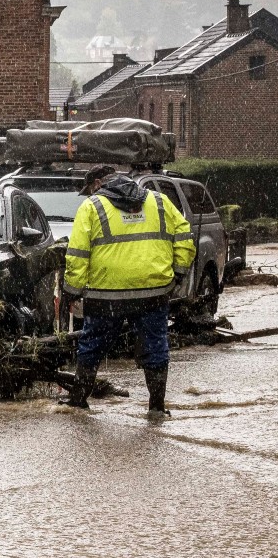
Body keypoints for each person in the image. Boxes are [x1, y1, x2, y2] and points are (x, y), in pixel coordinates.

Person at [63, 165, 195, 418]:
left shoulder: (92, 207)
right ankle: (156, 406)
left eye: (90, 188)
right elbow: (185, 237)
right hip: (153, 291)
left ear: (99, 182)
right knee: (156, 345)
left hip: (106, 294)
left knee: (92, 344)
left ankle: (78, 401)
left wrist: (72, 290)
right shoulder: (160, 201)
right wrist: (177, 274)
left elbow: (78, 254)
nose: (91, 193)